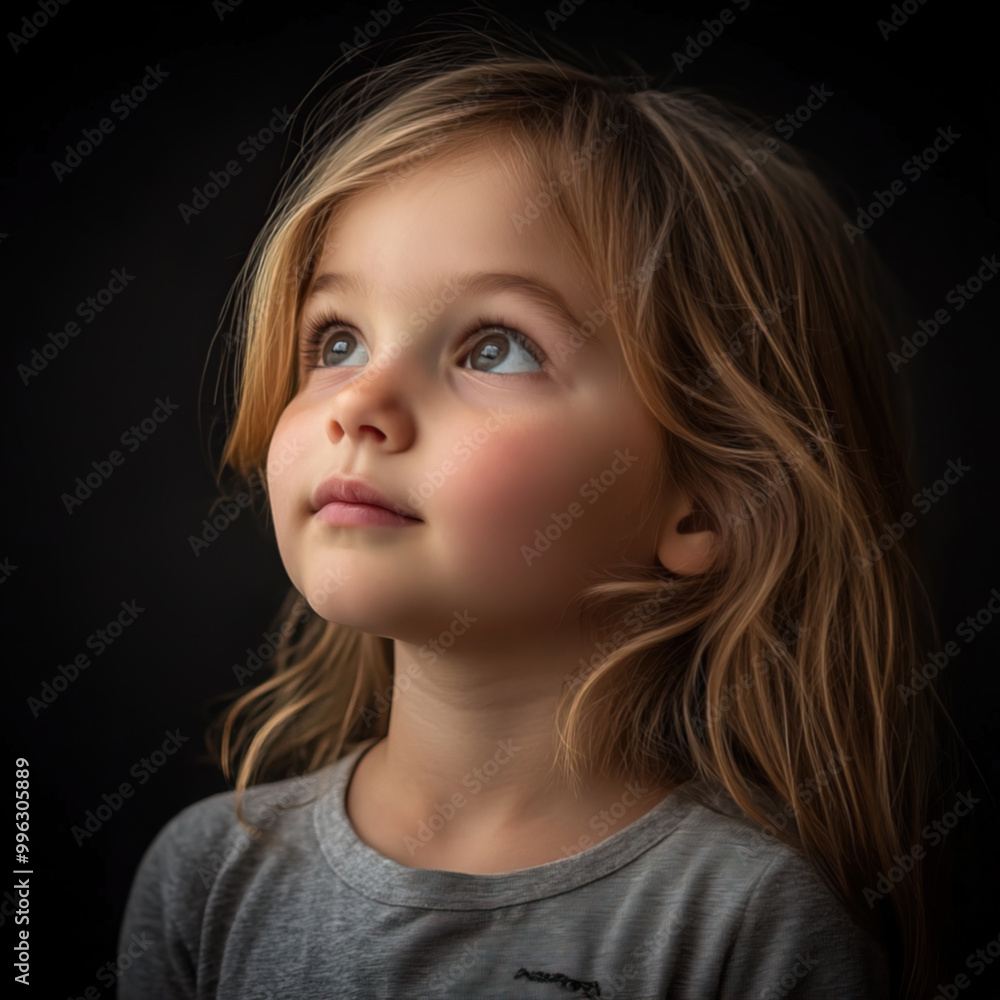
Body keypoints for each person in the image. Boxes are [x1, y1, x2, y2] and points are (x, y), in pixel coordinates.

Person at [118, 17, 947, 1000]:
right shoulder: (205, 875)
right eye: (337, 338)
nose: (359, 407)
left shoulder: (745, 921)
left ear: (701, 505)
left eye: (494, 348)